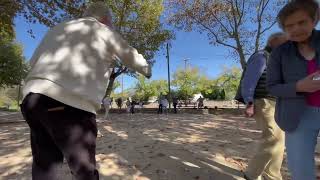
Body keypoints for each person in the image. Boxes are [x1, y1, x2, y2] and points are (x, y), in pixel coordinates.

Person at [19, 2, 151, 180]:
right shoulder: (103, 30)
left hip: (32, 100)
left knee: (45, 164)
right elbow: (131, 56)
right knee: (84, 170)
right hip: (70, 103)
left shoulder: (57, 28)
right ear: (105, 19)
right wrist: (147, 70)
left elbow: (33, 62)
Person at [267, 1, 320, 179]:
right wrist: (298, 87)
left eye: (302, 22)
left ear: (314, 20)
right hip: (297, 116)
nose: (296, 29)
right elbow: (272, 87)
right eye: (290, 25)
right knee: (301, 171)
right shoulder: (279, 53)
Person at [241, 32, 288, 180]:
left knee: (279, 142)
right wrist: (249, 102)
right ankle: (251, 174)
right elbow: (249, 81)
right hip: (263, 102)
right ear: (274, 42)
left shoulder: (276, 60)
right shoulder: (262, 56)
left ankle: (273, 175)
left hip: (276, 103)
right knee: (273, 138)